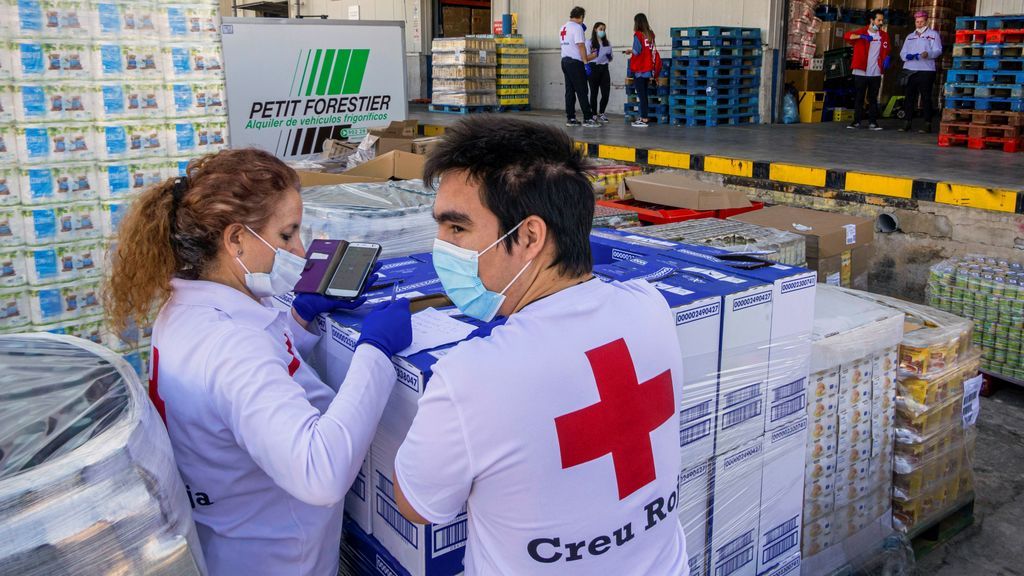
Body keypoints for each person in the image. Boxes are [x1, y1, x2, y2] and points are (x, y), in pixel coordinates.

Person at [391, 116, 688, 575]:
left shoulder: (473, 377)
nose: (440, 247)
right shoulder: (651, 307)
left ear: (529, 237)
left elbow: (417, 506)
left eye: (456, 229)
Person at [105, 148, 413, 576]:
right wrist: (375, 353)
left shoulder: (187, 312)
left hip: (234, 537)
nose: (301, 250)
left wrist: (300, 321)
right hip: (277, 556)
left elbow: (248, 386)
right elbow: (318, 473)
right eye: (287, 235)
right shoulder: (230, 343)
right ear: (236, 240)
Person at [846, 9, 891, 131]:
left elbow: (887, 49)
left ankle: (873, 122)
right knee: (859, 97)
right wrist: (861, 36)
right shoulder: (862, 31)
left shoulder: (884, 35)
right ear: (872, 20)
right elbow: (847, 36)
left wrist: (887, 58)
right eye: (879, 20)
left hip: (875, 71)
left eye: (882, 20)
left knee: (873, 98)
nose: (881, 22)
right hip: (861, 71)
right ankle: (856, 121)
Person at [900, 11, 943, 133]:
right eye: (917, 22)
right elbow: (902, 52)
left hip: (926, 69)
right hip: (910, 69)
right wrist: (906, 56)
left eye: (921, 22)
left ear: (927, 21)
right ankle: (907, 122)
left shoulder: (933, 35)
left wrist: (928, 54)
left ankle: (927, 123)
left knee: (926, 97)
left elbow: (938, 50)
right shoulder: (910, 36)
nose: (919, 24)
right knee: (909, 97)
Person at [560, 6, 601, 128]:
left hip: (565, 61)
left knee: (570, 91)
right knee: (582, 90)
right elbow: (581, 46)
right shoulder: (577, 28)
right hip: (575, 63)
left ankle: (571, 118)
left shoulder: (563, 27)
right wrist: (585, 62)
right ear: (581, 17)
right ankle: (588, 118)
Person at [629, 13, 659, 128]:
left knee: (641, 95)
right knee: (644, 95)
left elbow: (636, 51)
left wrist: (629, 51)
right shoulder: (650, 34)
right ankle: (643, 117)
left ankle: (644, 118)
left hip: (640, 69)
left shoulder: (638, 35)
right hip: (648, 69)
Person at [587, 22, 614, 123]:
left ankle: (601, 112)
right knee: (594, 92)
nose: (602, 31)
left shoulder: (607, 43)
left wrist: (608, 56)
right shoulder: (589, 43)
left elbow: (611, 57)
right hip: (593, 68)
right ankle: (593, 114)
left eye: (604, 29)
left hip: (604, 68)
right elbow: (585, 57)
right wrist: (595, 54)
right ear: (595, 29)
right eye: (600, 29)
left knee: (606, 92)